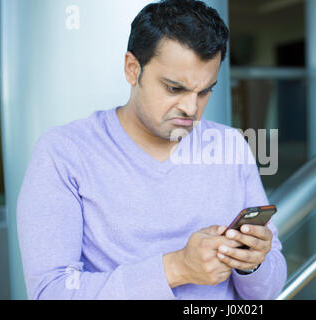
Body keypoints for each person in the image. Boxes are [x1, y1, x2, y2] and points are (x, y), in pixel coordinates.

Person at [17, 0, 287, 300]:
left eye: (205, 91)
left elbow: (267, 291)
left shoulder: (230, 145)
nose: (191, 108)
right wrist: (175, 268)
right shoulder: (64, 152)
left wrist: (252, 266)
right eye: (174, 88)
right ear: (133, 69)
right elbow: (49, 293)